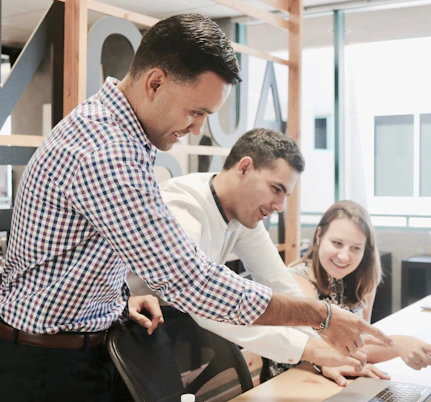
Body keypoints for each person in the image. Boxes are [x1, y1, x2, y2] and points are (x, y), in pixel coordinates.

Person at [0, 14, 392, 402]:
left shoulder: (121, 133)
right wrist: (320, 316)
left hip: (86, 345)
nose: (197, 128)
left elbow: (77, 253)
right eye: (196, 112)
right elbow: (190, 280)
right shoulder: (106, 152)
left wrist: (116, 299)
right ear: (155, 82)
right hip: (41, 369)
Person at [129, 127, 367, 372]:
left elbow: (277, 279)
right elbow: (204, 297)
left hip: (168, 329)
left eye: (286, 195)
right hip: (123, 330)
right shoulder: (182, 206)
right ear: (244, 167)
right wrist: (311, 349)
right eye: (276, 189)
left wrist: (322, 352)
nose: (281, 206)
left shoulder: (242, 214)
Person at [265, 200, 431, 386]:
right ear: (319, 236)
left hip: (338, 380)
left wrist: (401, 346)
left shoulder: (364, 281)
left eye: (355, 248)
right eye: (337, 243)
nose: (344, 256)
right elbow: (322, 348)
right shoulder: (297, 279)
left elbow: (360, 348)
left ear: (365, 250)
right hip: (292, 382)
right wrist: (397, 343)